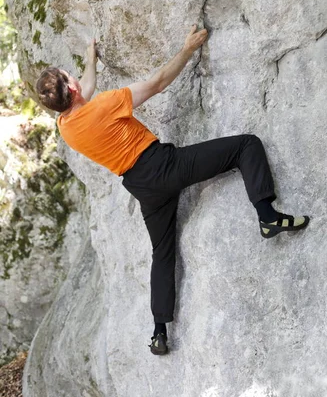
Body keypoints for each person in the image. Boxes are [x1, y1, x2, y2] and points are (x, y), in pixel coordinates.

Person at [35, 25, 309, 356]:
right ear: (72, 87)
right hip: (164, 166)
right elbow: (159, 82)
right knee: (246, 145)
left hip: (142, 188)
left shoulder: (66, 127)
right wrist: (188, 47)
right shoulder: (105, 104)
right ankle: (267, 216)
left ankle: (159, 331)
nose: (77, 77)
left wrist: (91, 60)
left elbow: (84, 91)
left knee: (162, 254)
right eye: (71, 74)